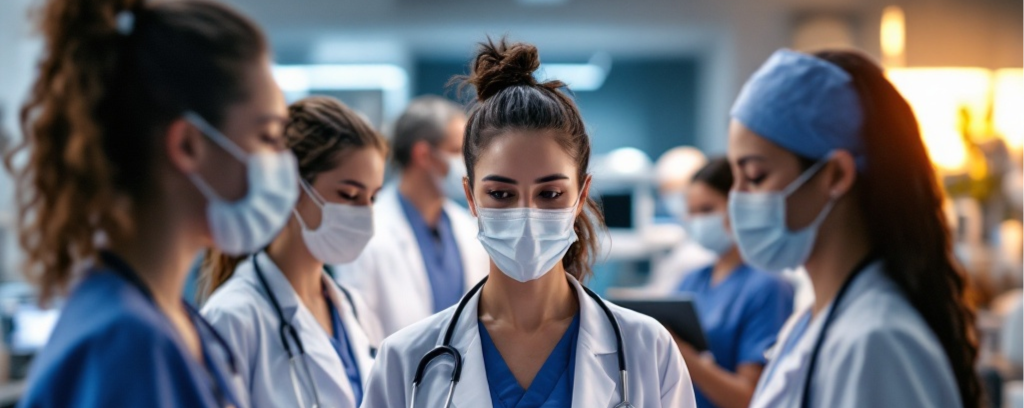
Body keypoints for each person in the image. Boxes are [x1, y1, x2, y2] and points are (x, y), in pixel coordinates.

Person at [361, 38, 696, 408]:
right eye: (501, 195)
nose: (526, 215)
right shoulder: (405, 361)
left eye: (550, 194)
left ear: (581, 196)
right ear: (471, 197)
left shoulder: (647, 350)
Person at [7, 0, 291, 406]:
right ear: (188, 145)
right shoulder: (127, 345)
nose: (281, 162)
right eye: (268, 137)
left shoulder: (172, 321)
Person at [728, 49, 982, 408]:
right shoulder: (814, 321)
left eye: (755, 176)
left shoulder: (877, 341)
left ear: (836, 175)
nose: (735, 199)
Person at [200, 96, 387, 408]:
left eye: (373, 198)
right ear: (290, 187)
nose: (365, 213)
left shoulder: (353, 308)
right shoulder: (232, 318)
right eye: (350, 194)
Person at [335, 96, 488, 337]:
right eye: (457, 151)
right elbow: (360, 334)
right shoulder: (367, 232)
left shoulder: (469, 229)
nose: (469, 163)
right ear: (423, 155)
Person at [673, 157, 794, 408]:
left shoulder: (768, 287)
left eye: (706, 210)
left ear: (737, 207)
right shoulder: (692, 280)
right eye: (691, 211)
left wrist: (685, 356)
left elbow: (751, 398)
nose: (697, 221)